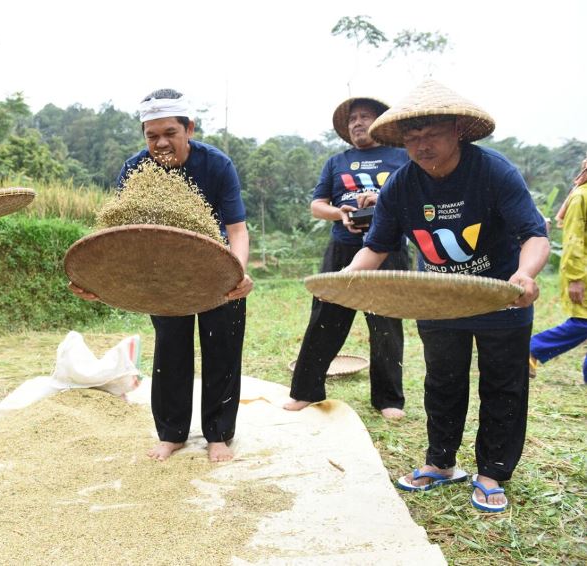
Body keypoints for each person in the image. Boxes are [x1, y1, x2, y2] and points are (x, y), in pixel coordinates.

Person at [345, 80, 549, 513]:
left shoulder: (493, 171)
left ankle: (492, 470)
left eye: (431, 133)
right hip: (438, 299)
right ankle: (441, 463)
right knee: (443, 381)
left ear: (457, 129)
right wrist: (345, 279)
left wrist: (525, 274)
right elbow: (377, 245)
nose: (421, 145)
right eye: (412, 138)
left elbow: (535, 234)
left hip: (500, 297)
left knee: (503, 384)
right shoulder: (401, 185)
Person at [69, 89, 253, 462]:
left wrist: (238, 272)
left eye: (170, 132)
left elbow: (236, 228)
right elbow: (120, 237)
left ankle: (218, 435)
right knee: (170, 351)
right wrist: (100, 280)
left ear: (189, 128)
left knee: (223, 348)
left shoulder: (216, 165)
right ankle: (172, 434)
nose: (161, 143)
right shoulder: (136, 169)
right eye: (151, 135)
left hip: (215, 270)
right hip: (163, 276)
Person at [283, 97, 410, 419]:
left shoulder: (402, 157)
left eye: (365, 117)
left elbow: (416, 197)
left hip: (388, 250)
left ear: (381, 122)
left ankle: (388, 399)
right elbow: (317, 205)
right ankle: (305, 391)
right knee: (324, 319)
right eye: (353, 118)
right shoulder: (337, 161)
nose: (357, 123)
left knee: (386, 323)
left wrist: (382, 200)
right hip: (342, 248)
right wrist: (340, 213)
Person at [529, 161, 587, 383]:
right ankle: (532, 348)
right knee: (583, 323)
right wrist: (576, 278)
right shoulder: (581, 197)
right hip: (581, 273)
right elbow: (573, 240)